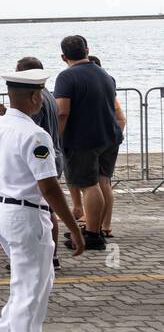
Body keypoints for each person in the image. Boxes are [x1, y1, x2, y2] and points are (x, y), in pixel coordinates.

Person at [0, 68, 84, 332]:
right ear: (36, 96)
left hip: (1, 208)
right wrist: (74, 228)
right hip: (25, 215)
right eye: (42, 94)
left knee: (35, 284)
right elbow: (49, 187)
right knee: (30, 291)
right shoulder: (35, 134)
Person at [0, 56, 65, 269]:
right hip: (54, 154)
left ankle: (49, 255)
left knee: (44, 207)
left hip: (41, 157)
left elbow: (27, 128)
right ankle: (49, 254)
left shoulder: (37, 103)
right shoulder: (47, 96)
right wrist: (6, 113)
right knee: (45, 206)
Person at [53, 35, 117, 252]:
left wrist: (55, 138)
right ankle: (96, 228)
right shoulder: (104, 73)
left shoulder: (66, 77)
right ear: (87, 50)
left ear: (63, 57)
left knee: (88, 186)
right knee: (101, 182)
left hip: (83, 139)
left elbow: (62, 111)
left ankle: (92, 235)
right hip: (108, 136)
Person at [86, 55, 126, 239]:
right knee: (104, 182)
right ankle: (103, 224)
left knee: (98, 182)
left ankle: (99, 225)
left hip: (101, 139)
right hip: (110, 137)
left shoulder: (98, 85)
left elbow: (119, 114)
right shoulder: (107, 83)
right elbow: (119, 115)